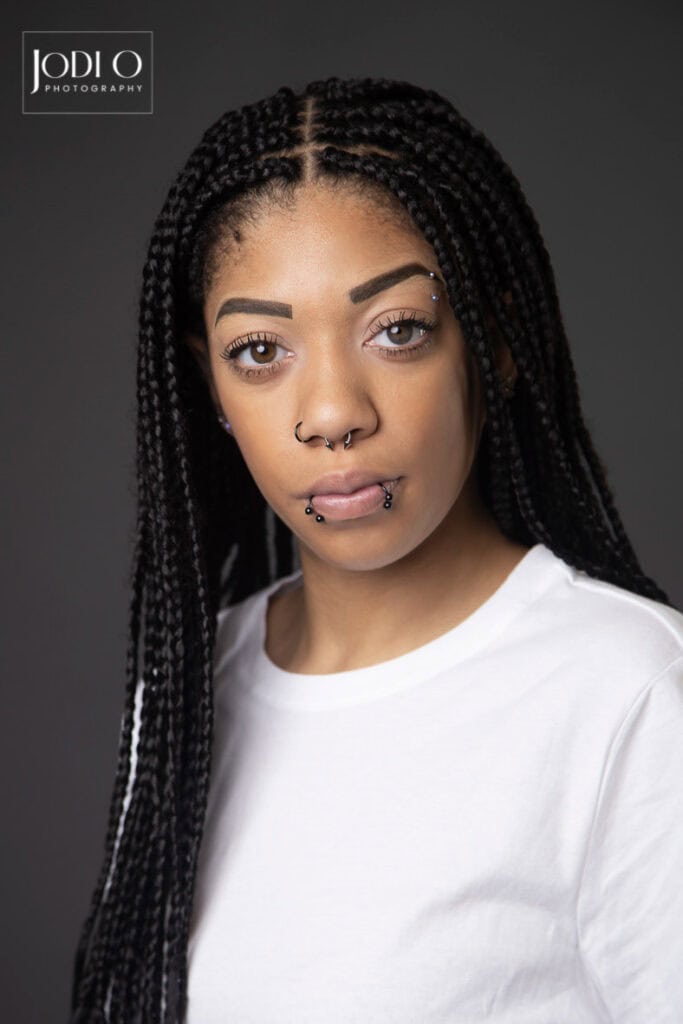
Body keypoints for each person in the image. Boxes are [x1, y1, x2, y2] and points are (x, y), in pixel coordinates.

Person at [70, 76, 683, 1024]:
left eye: (397, 330)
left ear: (495, 340)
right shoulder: (188, 690)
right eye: (260, 352)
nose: (331, 415)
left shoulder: (633, 694)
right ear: (210, 388)